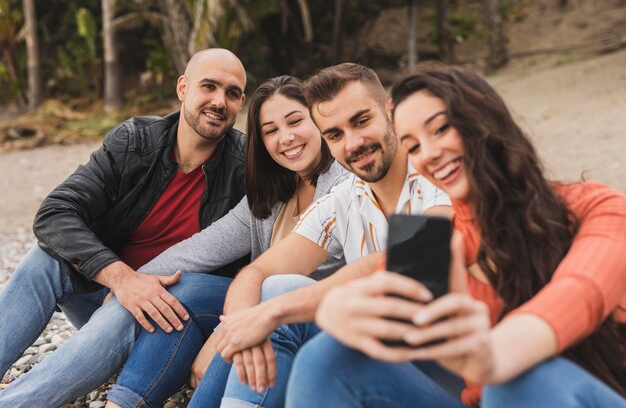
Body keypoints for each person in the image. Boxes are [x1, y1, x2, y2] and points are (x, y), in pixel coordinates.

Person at [286, 63, 626, 408]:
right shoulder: (438, 240)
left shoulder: (597, 207)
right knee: (328, 357)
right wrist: (334, 312)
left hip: (580, 394)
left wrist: (488, 358)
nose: (429, 154)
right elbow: (375, 298)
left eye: (441, 129)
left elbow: (580, 293)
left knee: (519, 380)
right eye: (413, 146)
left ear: (483, 119)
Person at [0, 48, 249, 408]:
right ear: (183, 88)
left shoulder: (246, 169)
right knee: (45, 261)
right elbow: (55, 213)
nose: (218, 101)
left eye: (232, 93)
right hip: (107, 298)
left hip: (169, 322)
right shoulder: (135, 141)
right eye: (208, 86)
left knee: (141, 302)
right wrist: (123, 280)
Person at [203, 63, 453, 408]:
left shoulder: (436, 173)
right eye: (334, 135)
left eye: (362, 121)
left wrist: (272, 314)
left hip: (444, 375)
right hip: (379, 351)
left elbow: (412, 261)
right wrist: (243, 328)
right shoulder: (345, 198)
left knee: (314, 347)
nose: (353, 143)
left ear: (391, 110)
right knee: (272, 292)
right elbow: (257, 273)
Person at [102, 75, 349, 408]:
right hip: (263, 310)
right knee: (183, 289)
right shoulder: (271, 196)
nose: (286, 138)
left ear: (318, 122)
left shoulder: (345, 187)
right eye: (271, 131)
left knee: (259, 315)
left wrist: (220, 339)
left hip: (316, 322)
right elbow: (200, 249)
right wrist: (127, 282)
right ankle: (123, 403)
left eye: (295, 121)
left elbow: (283, 289)